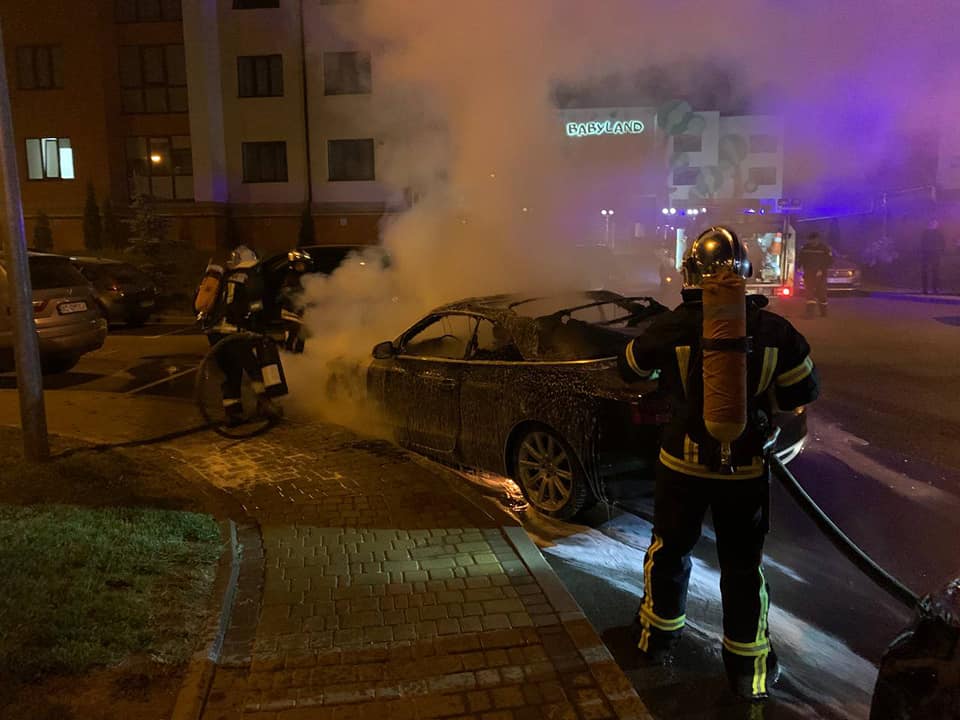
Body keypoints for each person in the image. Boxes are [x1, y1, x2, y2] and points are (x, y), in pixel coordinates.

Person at [618, 226, 820, 701]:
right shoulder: (776, 331)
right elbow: (803, 391)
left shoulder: (671, 326)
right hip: (745, 470)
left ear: (689, 274)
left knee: (669, 550)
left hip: (680, 465)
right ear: (745, 273)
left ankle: (655, 638)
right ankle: (749, 672)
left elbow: (629, 369)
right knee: (743, 568)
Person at [201, 245, 277, 426]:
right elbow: (256, 307)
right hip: (234, 333)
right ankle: (265, 405)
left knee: (230, 373)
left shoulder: (224, 277)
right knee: (254, 369)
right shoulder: (250, 277)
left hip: (214, 334)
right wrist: (259, 329)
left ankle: (232, 414)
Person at [797, 232, 833, 317]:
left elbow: (829, 261)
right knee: (809, 292)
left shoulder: (824, 248)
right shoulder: (805, 248)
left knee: (821, 293)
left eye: (814, 240)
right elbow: (801, 258)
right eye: (811, 240)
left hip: (820, 274)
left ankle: (823, 312)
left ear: (818, 239)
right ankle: (810, 313)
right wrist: (799, 266)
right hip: (808, 273)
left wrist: (822, 269)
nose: (813, 242)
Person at [920, 219, 945, 295]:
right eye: (932, 223)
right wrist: (923, 252)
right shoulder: (925, 233)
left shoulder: (939, 233)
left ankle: (935, 289)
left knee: (936, 272)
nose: (934, 224)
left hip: (936, 254)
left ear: (937, 225)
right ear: (929, 224)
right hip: (927, 254)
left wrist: (941, 251)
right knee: (925, 272)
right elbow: (922, 243)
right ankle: (925, 289)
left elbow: (943, 243)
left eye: (935, 223)